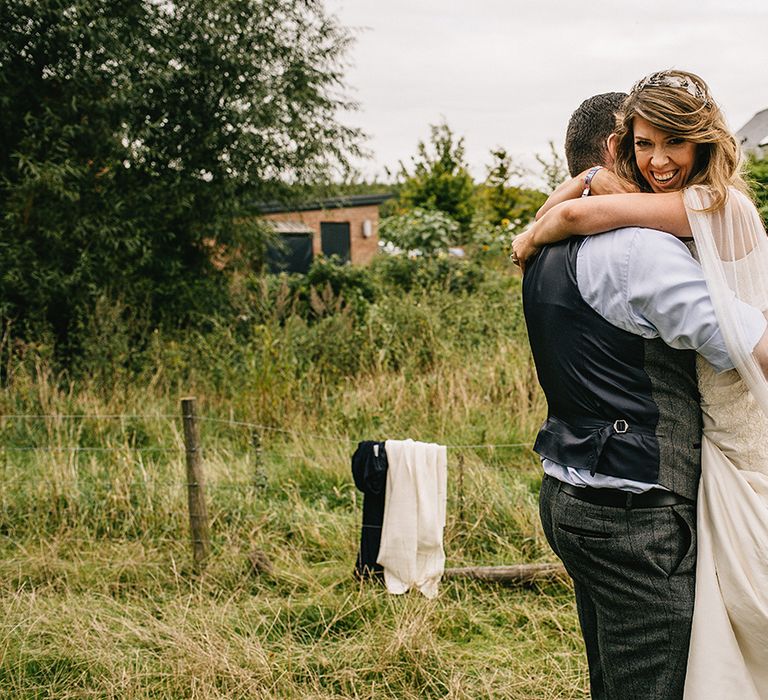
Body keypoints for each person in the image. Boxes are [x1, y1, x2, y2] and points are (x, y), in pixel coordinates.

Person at [514, 74, 768, 700]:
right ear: (617, 145)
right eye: (642, 143)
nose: (656, 162)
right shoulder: (641, 251)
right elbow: (742, 342)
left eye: (673, 144)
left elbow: (575, 209)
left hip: (569, 494)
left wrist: (542, 222)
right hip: (639, 506)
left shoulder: (560, 244)